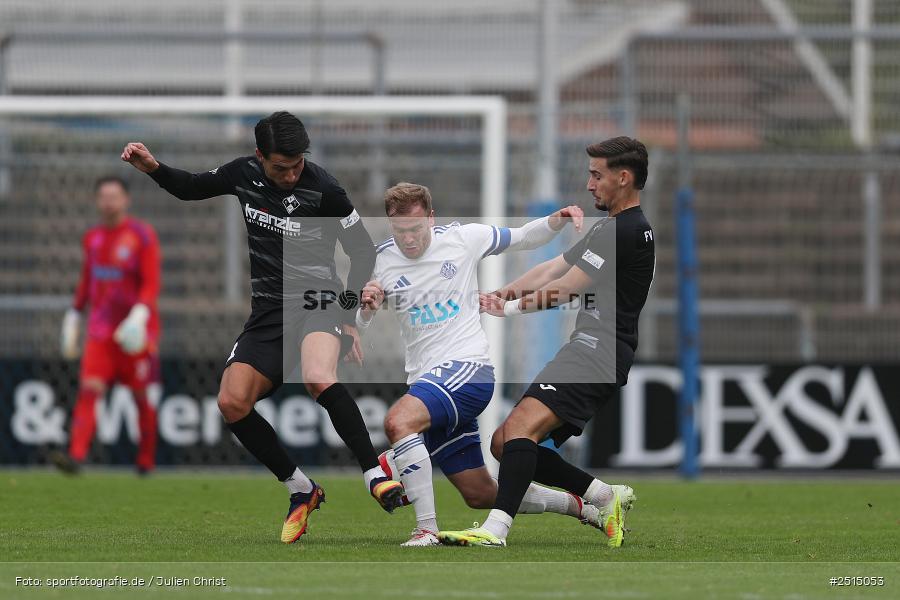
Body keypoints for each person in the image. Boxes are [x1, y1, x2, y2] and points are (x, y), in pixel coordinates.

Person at [120, 111, 403, 544]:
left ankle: (373, 471)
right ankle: (301, 489)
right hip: (270, 312)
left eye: (297, 165)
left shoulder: (325, 189)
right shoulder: (242, 174)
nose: (291, 175)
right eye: (280, 167)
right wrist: (154, 168)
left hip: (319, 301)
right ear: (260, 157)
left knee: (317, 376)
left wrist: (348, 319)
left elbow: (362, 253)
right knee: (232, 402)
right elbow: (193, 188)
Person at [357, 182, 611, 547]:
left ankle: (425, 529)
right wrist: (366, 308)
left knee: (399, 421)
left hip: (468, 370)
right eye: (400, 231)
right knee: (481, 492)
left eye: (415, 229)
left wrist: (556, 220)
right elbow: (362, 320)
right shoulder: (381, 259)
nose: (409, 239)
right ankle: (578, 506)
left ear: (431, 218)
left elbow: (523, 236)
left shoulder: (464, 239)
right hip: (427, 381)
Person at [439, 137, 654, 548]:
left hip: (598, 352)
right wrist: (504, 292)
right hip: (593, 350)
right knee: (506, 442)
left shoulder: (626, 231)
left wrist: (512, 310)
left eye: (597, 174)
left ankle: (495, 531)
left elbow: (567, 289)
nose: (589, 184)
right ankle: (602, 497)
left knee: (519, 429)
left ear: (623, 178)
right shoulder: (613, 227)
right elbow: (553, 268)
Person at [55, 176, 161, 475]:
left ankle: (146, 460)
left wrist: (140, 315)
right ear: (96, 200)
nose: (108, 202)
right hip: (101, 330)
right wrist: (75, 314)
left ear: (126, 199)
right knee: (89, 390)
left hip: (135, 331)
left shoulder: (141, 236)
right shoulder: (92, 238)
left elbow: (151, 283)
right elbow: (88, 280)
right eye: (103, 196)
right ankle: (76, 456)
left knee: (141, 397)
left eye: (114, 196)